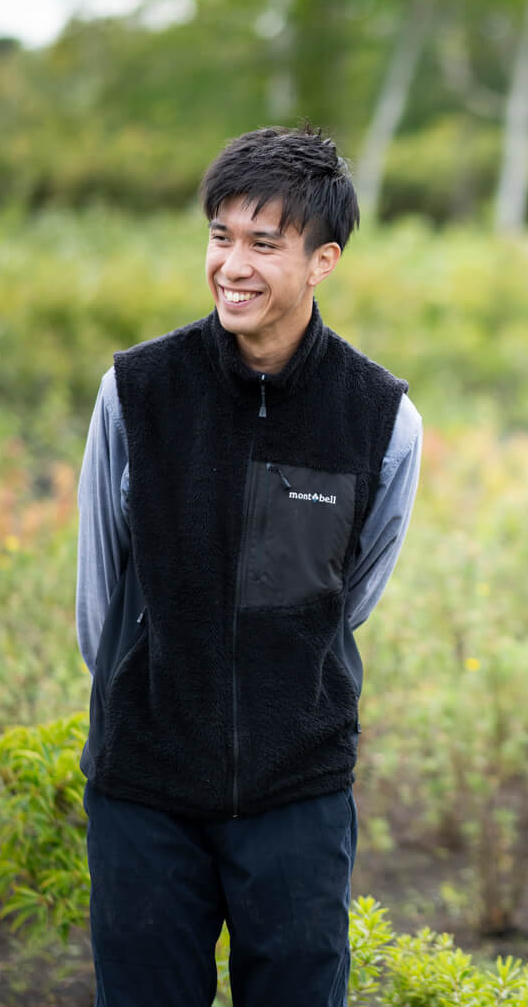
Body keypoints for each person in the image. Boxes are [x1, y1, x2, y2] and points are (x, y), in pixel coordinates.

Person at [74, 125, 421, 1007]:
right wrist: (140, 686)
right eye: (220, 236)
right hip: (145, 787)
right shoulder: (138, 392)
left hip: (295, 790)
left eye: (264, 244)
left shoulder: (380, 417)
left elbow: (355, 590)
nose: (233, 264)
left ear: (323, 260)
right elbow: (101, 589)